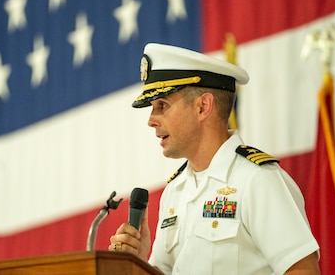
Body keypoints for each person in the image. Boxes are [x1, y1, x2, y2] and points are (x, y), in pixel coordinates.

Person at [109, 43, 320, 274]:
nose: (151, 120)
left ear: (203, 107)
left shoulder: (257, 180)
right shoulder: (175, 190)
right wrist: (139, 264)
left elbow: (302, 270)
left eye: (162, 105)